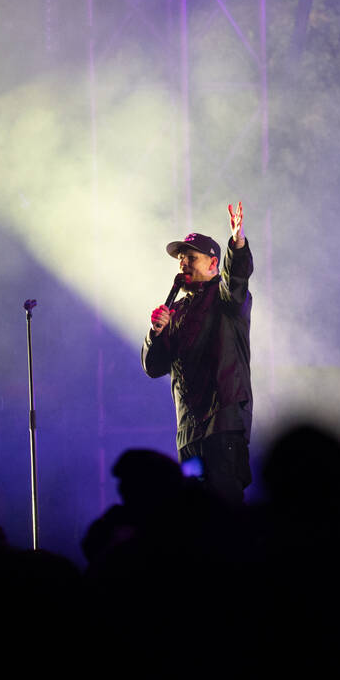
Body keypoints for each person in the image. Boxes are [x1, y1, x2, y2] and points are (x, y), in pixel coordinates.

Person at [142, 203, 253, 504]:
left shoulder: (227, 298)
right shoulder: (175, 311)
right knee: (194, 512)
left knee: (224, 515)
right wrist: (155, 333)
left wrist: (237, 244)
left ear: (213, 264)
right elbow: (154, 367)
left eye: (191, 257)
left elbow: (237, 278)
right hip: (189, 434)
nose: (183, 263)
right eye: (180, 258)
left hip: (223, 426)